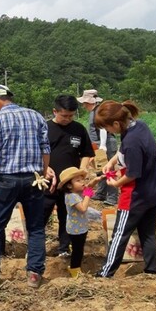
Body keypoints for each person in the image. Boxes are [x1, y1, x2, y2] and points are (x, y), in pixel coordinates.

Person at [0, 84, 50, 288]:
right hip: (33, 178)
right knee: (35, 227)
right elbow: (45, 149)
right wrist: (42, 172)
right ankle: (34, 273)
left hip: (7, 179)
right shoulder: (36, 116)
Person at [94, 100, 156, 278]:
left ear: (116, 124)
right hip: (154, 193)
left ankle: (106, 272)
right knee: (148, 232)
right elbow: (123, 151)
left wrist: (115, 183)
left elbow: (133, 173)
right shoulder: (139, 126)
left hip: (136, 196)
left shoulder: (132, 141)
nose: (108, 132)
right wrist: (112, 162)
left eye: (107, 128)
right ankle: (151, 269)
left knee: (120, 234)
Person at [42, 95, 94, 258]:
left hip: (70, 185)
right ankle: (36, 248)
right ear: (54, 111)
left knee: (67, 216)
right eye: (64, 115)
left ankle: (63, 248)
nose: (67, 119)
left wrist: (82, 169)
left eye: (71, 115)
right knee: (41, 215)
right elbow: (36, 153)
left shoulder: (78, 129)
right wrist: (45, 167)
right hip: (47, 182)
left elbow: (87, 153)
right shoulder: (44, 128)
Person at [58, 167, 102, 277]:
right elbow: (83, 208)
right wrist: (88, 194)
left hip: (80, 227)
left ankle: (75, 265)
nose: (82, 182)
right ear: (69, 185)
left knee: (79, 248)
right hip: (76, 229)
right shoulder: (72, 196)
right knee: (78, 252)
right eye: (78, 181)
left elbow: (88, 187)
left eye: (82, 180)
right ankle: (75, 271)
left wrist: (94, 182)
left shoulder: (75, 192)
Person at [78, 89, 118, 207]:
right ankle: (101, 192)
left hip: (105, 144)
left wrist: (103, 145)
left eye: (84, 102)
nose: (83, 105)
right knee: (100, 169)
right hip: (98, 144)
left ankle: (112, 197)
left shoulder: (97, 112)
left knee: (109, 170)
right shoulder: (94, 111)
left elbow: (102, 129)